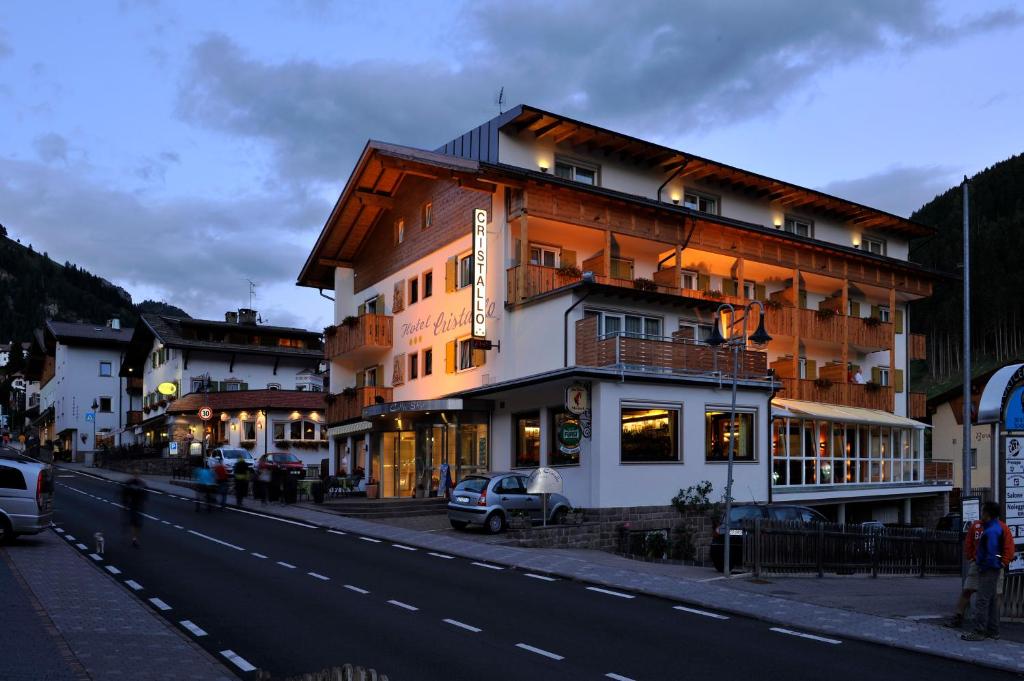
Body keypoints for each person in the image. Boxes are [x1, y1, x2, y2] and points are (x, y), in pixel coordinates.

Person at [962, 502, 1008, 641]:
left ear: (987, 514)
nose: (981, 515)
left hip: (988, 569)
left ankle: (979, 631)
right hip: (992, 568)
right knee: (993, 600)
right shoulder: (996, 528)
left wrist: (985, 565)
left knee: (982, 600)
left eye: (983, 512)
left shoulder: (991, 531)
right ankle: (993, 631)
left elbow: (992, 552)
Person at [121, 469, 148, 548]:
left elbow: (145, 493)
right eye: (135, 473)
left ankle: (135, 537)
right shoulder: (129, 483)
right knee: (134, 521)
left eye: (138, 474)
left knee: (139, 524)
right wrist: (125, 504)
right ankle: (134, 539)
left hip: (139, 505)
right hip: (132, 505)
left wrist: (144, 502)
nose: (137, 475)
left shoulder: (142, 484)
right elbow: (124, 493)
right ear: (133, 474)